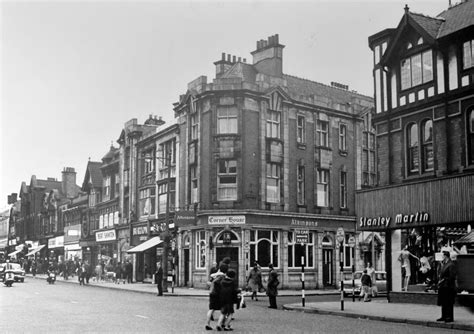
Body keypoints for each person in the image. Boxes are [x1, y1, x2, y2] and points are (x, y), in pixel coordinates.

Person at [205, 263, 228, 331]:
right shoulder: (224, 277)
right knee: (223, 310)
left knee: (211, 309)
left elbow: (209, 282)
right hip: (219, 294)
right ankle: (219, 324)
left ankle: (207, 324)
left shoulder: (214, 275)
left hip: (212, 293)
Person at [437, 251, 457, 323]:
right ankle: (444, 316)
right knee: (444, 302)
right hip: (443, 286)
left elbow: (452, 276)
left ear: (446, 256)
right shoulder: (444, 264)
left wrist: (444, 280)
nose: (442, 257)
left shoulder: (451, 264)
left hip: (448, 286)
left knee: (449, 302)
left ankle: (449, 317)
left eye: (443, 255)